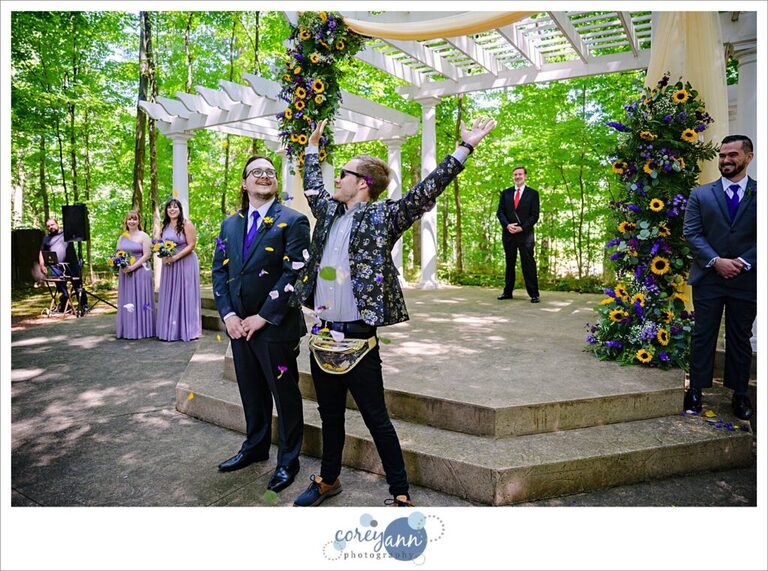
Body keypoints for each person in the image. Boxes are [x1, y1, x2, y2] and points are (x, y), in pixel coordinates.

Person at [291, 116, 496, 507]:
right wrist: (311, 149)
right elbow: (313, 183)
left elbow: (425, 192)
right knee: (330, 416)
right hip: (322, 335)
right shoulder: (328, 211)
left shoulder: (384, 216)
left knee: (376, 419)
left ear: (362, 184)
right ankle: (328, 479)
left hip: (359, 340)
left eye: (345, 175)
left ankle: (400, 491)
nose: (337, 181)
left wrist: (465, 147)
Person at [212, 155, 311, 494]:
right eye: (256, 172)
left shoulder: (294, 221)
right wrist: (229, 316)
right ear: (244, 183)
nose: (264, 175)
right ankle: (254, 448)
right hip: (238, 328)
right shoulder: (229, 225)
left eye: (269, 171)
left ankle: (288, 461)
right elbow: (219, 272)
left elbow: (294, 272)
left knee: (284, 396)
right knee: (251, 393)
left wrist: (263, 316)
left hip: (275, 328)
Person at [683, 135, 756, 420]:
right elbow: (692, 233)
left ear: (748, 157)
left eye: (733, 155)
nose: (725, 160)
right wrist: (717, 261)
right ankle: (695, 390)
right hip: (709, 277)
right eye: (722, 155)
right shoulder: (700, 195)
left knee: (740, 337)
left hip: (747, 279)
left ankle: (740, 394)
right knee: (703, 335)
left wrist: (742, 261)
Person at [155, 199, 202, 341]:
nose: (172, 209)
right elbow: (160, 245)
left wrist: (175, 257)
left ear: (180, 209)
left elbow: (192, 245)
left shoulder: (186, 224)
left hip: (186, 262)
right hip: (169, 265)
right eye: (169, 207)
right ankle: (171, 329)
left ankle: (187, 330)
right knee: (170, 293)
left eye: (175, 207)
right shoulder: (165, 227)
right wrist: (163, 255)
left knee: (185, 293)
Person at [496, 166, 541, 302]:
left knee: (528, 263)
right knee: (510, 263)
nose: (517, 177)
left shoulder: (533, 194)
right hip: (509, 233)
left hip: (525, 235)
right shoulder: (506, 193)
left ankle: (534, 294)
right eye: (515, 174)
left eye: (520, 174)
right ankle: (507, 292)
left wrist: (522, 228)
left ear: (525, 176)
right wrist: (507, 225)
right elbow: (500, 212)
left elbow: (535, 215)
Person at [115, 210, 155, 339]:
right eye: (129, 219)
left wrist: (132, 267)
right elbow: (117, 253)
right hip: (126, 273)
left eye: (134, 219)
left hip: (141, 271)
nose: (132, 221)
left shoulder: (144, 236)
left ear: (139, 221)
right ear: (126, 221)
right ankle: (129, 329)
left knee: (141, 299)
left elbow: (147, 255)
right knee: (128, 300)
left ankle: (143, 330)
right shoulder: (122, 237)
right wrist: (122, 265)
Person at [38, 218, 88, 313]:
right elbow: (41, 251)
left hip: (72, 265)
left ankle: (83, 306)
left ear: (57, 224)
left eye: (52, 224)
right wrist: (42, 264)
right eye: (48, 226)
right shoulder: (46, 238)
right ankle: (65, 305)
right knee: (60, 288)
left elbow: (77, 231)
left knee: (78, 285)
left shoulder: (67, 234)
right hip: (56, 267)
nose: (51, 227)